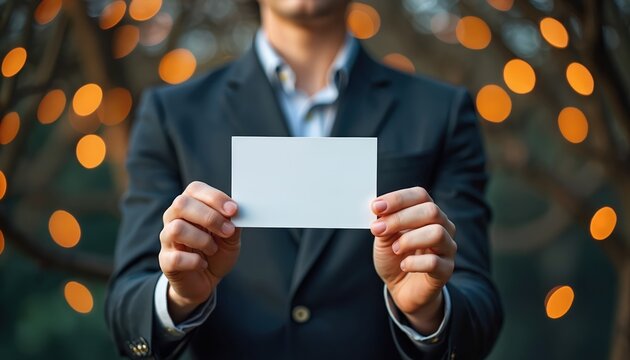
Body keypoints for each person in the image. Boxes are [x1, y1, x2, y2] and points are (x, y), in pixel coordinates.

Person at [105, 0, 503, 358]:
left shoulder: (442, 112)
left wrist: (428, 311)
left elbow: (478, 305)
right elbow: (127, 309)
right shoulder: (172, 114)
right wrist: (178, 297)